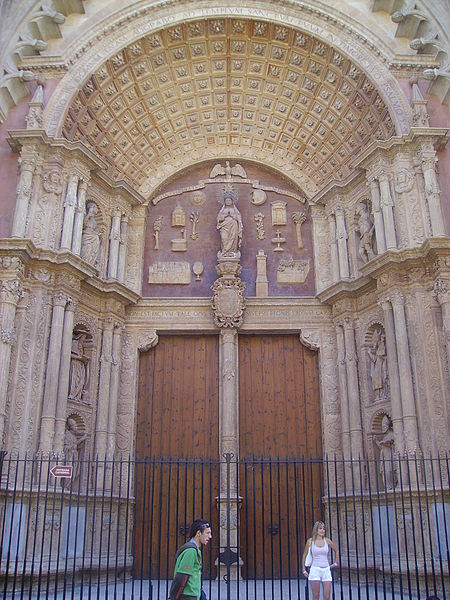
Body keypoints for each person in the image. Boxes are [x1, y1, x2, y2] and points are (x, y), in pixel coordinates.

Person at [168, 519, 212, 600]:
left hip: (194, 594)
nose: (210, 536)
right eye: (207, 533)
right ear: (198, 533)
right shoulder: (191, 551)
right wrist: (173, 597)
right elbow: (181, 576)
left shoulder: (195, 550)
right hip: (188, 596)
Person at [302, 521, 339, 600]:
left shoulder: (327, 541)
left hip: (326, 570)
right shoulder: (310, 541)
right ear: (316, 530)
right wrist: (304, 570)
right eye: (320, 528)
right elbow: (304, 555)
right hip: (315, 569)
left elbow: (336, 550)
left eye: (324, 529)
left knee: (327, 597)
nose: (322, 530)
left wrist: (335, 562)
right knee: (316, 596)